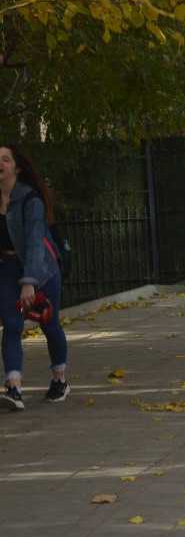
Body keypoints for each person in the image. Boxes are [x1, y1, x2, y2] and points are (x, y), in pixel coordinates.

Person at [0, 145, 69, 410]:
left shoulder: (31, 199)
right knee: (12, 325)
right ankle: (14, 387)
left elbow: (34, 243)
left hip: (41, 267)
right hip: (7, 267)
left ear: (17, 168)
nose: (0, 164)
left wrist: (29, 282)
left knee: (49, 325)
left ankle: (59, 380)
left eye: (5, 160)